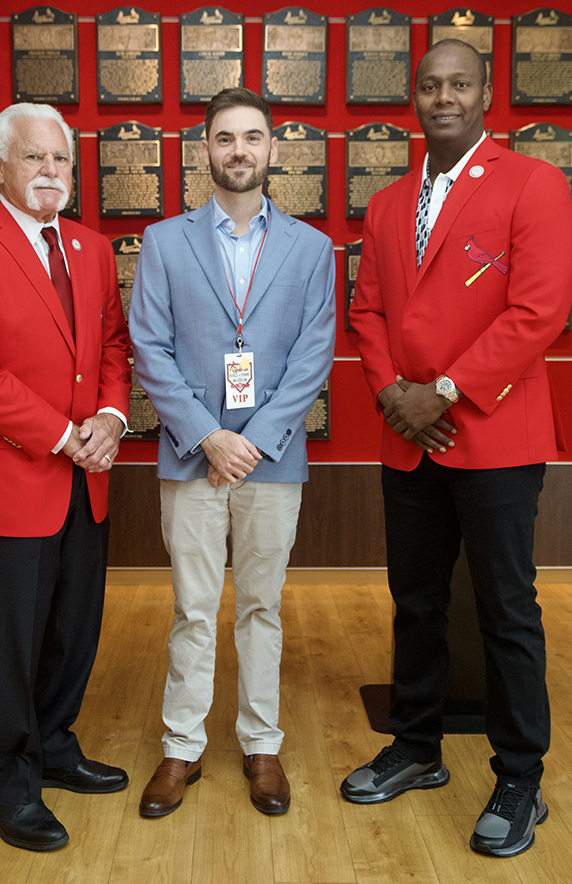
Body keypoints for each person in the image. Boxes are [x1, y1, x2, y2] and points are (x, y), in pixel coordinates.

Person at [342, 40, 572, 858]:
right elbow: (367, 312)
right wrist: (389, 395)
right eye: (430, 85)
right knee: (415, 600)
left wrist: (439, 391)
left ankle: (520, 775)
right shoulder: (388, 202)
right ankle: (416, 746)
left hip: (494, 433)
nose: (444, 96)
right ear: (415, 95)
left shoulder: (533, 185)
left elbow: (538, 312)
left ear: (485, 93)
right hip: (407, 438)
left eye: (460, 84)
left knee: (506, 609)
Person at [0, 102, 133, 852]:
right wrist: (61, 437)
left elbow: (113, 342)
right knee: (11, 641)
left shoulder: (91, 247)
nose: (51, 172)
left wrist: (111, 416)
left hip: (89, 475)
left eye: (61, 160)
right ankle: (5, 782)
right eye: (35, 158)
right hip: (15, 478)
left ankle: (52, 744)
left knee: (73, 631)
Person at [128, 87, 336, 818]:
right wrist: (209, 436)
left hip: (272, 460)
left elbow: (313, 357)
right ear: (205, 150)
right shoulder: (163, 242)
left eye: (253, 138)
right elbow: (148, 349)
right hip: (191, 456)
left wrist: (248, 444)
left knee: (261, 606)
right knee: (190, 609)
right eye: (225, 139)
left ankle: (261, 743)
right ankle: (180, 747)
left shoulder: (312, 249)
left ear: (273, 150)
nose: (239, 150)